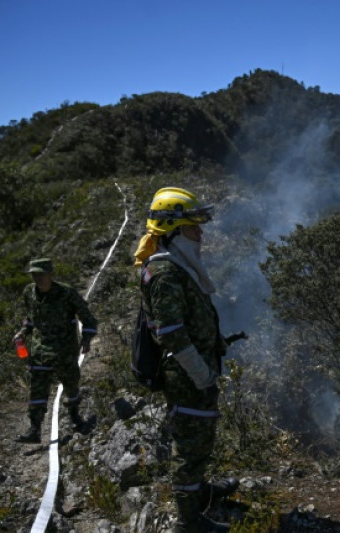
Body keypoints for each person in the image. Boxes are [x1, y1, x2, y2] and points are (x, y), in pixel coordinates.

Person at [134, 187, 236, 533]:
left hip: (196, 371)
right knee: (189, 447)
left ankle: (200, 492)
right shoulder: (165, 274)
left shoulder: (178, 267)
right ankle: (188, 521)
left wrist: (213, 342)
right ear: (175, 232)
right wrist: (202, 373)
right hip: (187, 375)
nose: (201, 233)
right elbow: (172, 333)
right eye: (194, 227)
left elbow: (189, 318)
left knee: (200, 438)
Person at [14, 258, 98, 443]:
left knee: (71, 384)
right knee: (37, 388)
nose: (38, 279)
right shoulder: (29, 293)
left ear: (51, 274)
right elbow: (30, 319)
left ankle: (76, 418)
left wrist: (86, 339)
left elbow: (88, 318)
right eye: (34, 275)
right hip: (40, 350)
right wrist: (22, 333)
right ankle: (35, 429)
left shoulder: (66, 293)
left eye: (42, 274)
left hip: (65, 350)